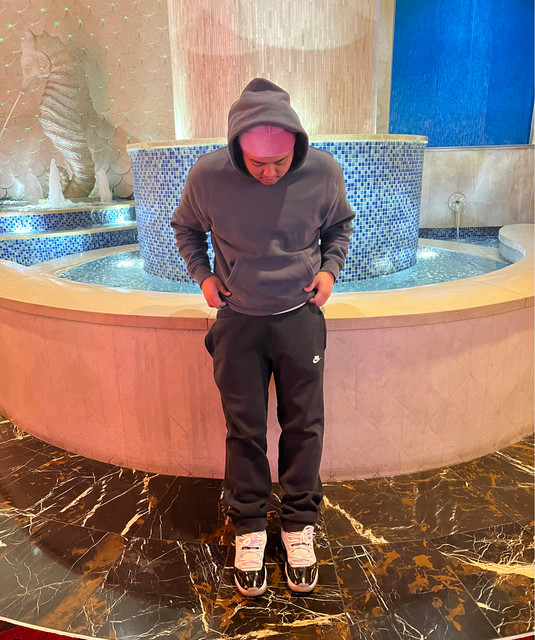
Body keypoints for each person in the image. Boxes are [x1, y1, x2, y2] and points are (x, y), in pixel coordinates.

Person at [171, 78, 354, 597]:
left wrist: (330, 270)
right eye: (257, 164)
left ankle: (299, 524)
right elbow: (185, 228)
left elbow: (339, 227)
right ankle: (249, 526)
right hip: (239, 321)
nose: (270, 173)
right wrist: (203, 276)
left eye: (280, 162)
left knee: (304, 425)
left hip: (299, 318)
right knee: (244, 429)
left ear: (297, 144)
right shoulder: (208, 176)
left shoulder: (323, 171)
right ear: (237, 149)